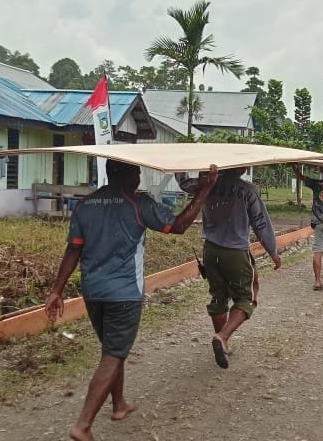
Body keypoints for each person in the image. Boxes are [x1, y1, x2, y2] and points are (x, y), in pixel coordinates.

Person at [45, 161, 218, 441]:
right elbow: (178, 226)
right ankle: (83, 425)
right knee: (114, 353)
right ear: (122, 175)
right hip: (124, 293)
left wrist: (56, 290)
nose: (139, 176)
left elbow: (73, 249)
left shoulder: (86, 204)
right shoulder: (138, 204)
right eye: (135, 171)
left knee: (112, 348)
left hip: (93, 292)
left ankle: (119, 404)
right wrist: (205, 190)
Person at [187, 167, 283, 369]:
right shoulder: (246, 189)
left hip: (210, 250)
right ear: (241, 167)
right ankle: (222, 336)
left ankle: (224, 344)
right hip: (236, 251)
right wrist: (273, 252)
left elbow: (184, 183)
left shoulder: (206, 186)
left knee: (218, 297)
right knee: (246, 297)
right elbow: (260, 223)